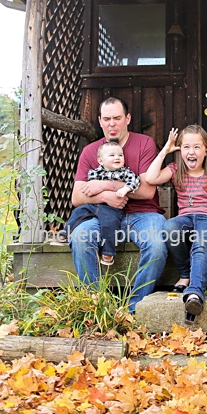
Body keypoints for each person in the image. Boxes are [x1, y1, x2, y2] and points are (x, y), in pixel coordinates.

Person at [68, 97, 168, 313]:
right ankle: (96, 307)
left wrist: (106, 185)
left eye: (117, 118)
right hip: (102, 214)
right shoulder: (91, 151)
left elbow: (147, 191)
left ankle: (134, 309)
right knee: (80, 237)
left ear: (127, 118)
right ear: (100, 121)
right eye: (106, 119)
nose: (112, 124)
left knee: (157, 245)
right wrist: (105, 197)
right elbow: (77, 197)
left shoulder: (144, 144)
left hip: (144, 215)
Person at [143, 125, 207, 322]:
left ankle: (195, 293)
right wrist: (165, 150)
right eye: (186, 147)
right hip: (186, 219)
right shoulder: (175, 169)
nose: (191, 152)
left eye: (197, 147)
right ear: (179, 150)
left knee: (200, 244)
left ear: (206, 150)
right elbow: (150, 178)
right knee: (170, 227)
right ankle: (185, 274)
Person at [55, 140, 140, 265]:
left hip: (111, 208)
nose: (117, 157)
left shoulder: (125, 172)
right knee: (79, 212)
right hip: (94, 205)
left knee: (110, 225)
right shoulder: (94, 172)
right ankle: (65, 233)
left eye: (120, 155)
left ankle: (108, 253)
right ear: (100, 161)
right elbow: (86, 189)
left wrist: (125, 189)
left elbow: (135, 181)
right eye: (112, 155)